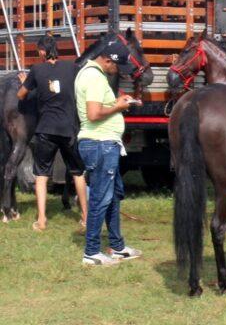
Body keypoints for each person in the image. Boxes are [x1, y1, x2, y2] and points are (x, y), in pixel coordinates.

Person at [75, 38, 142, 266]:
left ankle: (117, 246)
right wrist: (119, 106)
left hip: (104, 143)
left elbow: (98, 107)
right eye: (117, 67)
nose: (118, 72)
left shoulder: (94, 74)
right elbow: (93, 114)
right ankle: (92, 252)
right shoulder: (93, 76)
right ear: (107, 60)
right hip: (100, 143)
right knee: (100, 199)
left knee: (112, 197)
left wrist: (117, 101)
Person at [17, 35, 87, 232]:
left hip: (46, 129)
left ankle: (41, 220)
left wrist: (27, 82)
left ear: (41, 52)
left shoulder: (37, 70)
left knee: (41, 175)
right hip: (68, 129)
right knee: (78, 173)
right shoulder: (72, 68)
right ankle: (86, 217)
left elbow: (20, 95)